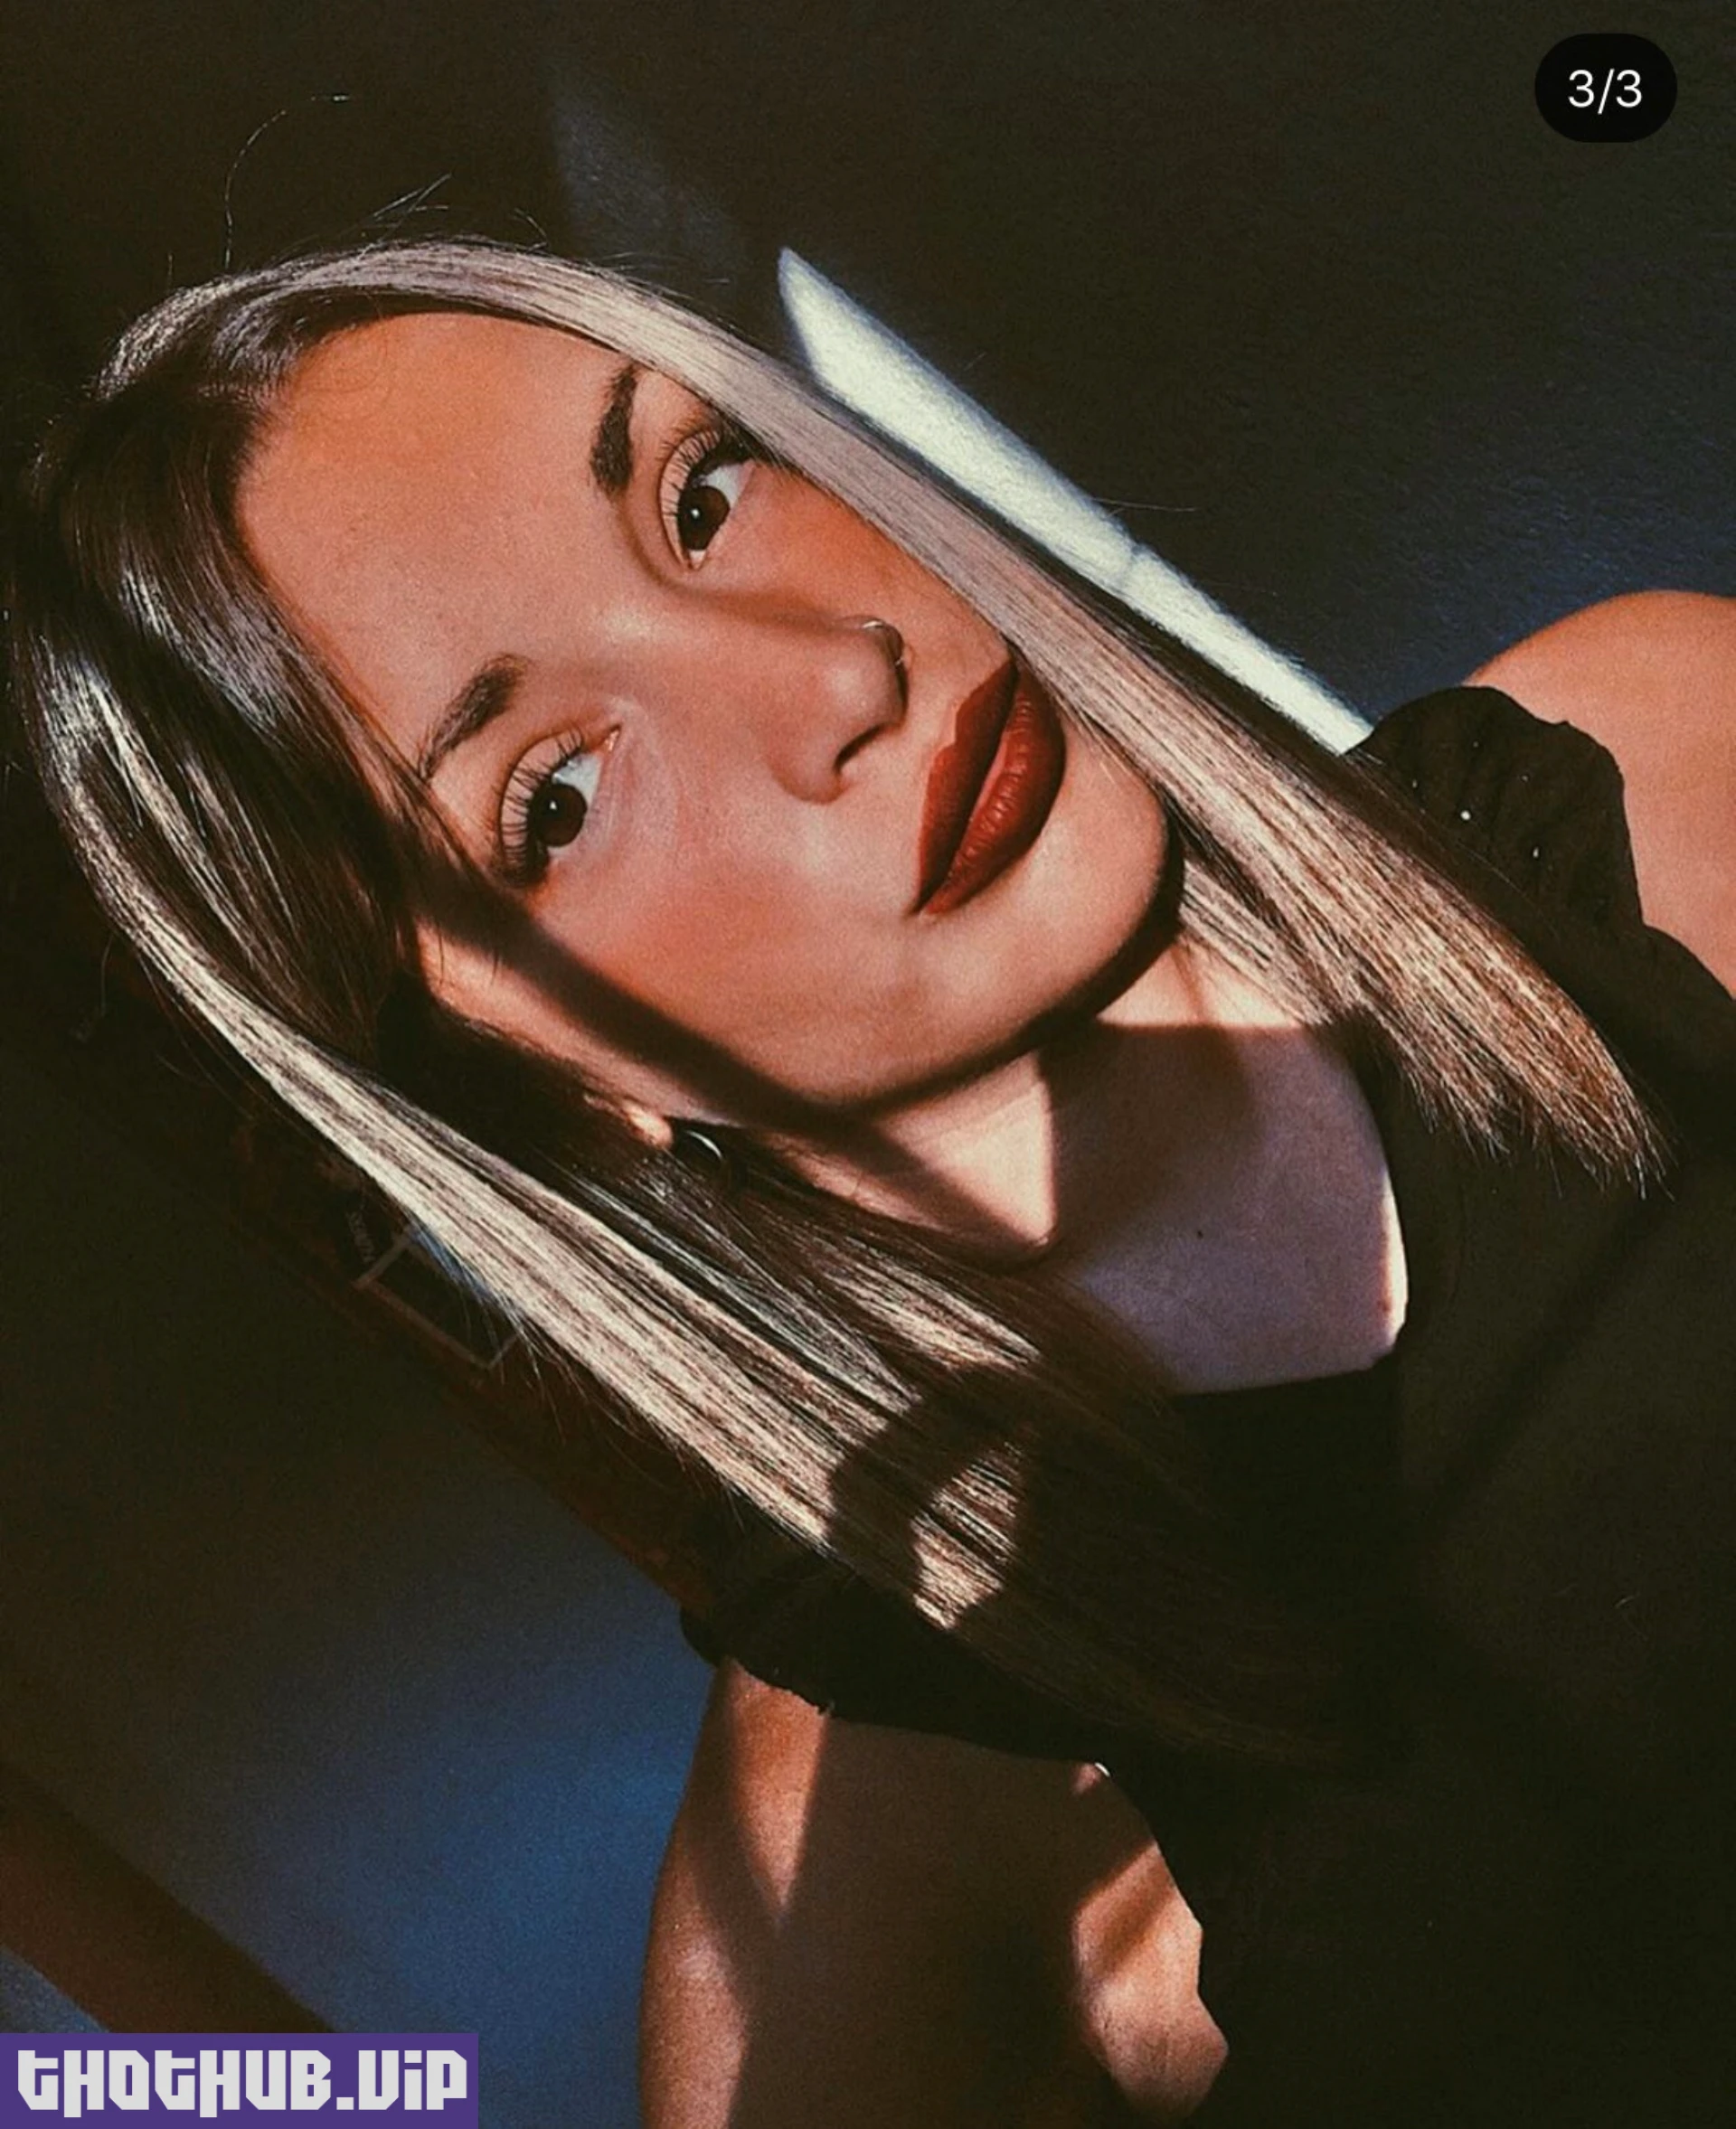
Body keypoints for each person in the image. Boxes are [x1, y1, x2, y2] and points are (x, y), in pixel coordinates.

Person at [7, 239, 1732, 2125]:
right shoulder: (892, 1822)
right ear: (542, 1093)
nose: (836, 668)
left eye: (700, 491)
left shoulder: (1659, 766)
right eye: (553, 796)